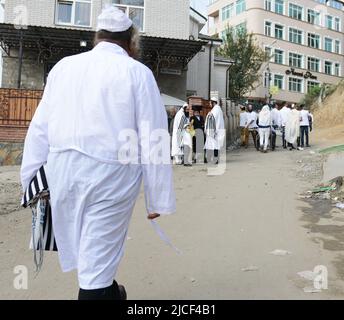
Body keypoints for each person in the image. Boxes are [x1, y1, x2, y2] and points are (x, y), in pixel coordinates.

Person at [20, 6, 176, 300]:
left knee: (90, 254)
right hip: (111, 177)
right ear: (131, 41)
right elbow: (153, 137)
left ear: (97, 37)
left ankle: (112, 291)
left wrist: (31, 179)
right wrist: (157, 198)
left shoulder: (64, 67)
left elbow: (39, 128)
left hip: (62, 173)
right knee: (96, 267)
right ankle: (106, 293)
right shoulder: (138, 73)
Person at [204, 97, 225, 164]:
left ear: (213, 102)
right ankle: (214, 159)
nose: (210, 104)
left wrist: (210, 131)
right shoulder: (218, 109)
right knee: (215, 146)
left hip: (213, 131)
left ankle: (213, 159)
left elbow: (211, 119)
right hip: (217, 131)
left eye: (210, 103)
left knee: (213, 145)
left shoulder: (215, 110)